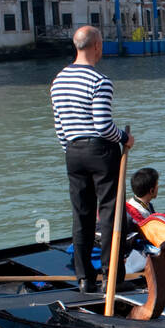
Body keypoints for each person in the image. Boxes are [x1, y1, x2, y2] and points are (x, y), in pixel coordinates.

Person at [50, 25, 131, 293]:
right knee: (110, 215)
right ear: (97, 45)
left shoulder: (58, 80)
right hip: (101, 151)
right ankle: (111, 277)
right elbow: (103, 126)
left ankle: (84, 278)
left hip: (72, 152)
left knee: (81, 215)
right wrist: (124, 138)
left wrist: (72, 149)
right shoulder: (100, 81)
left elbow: (60, 127)